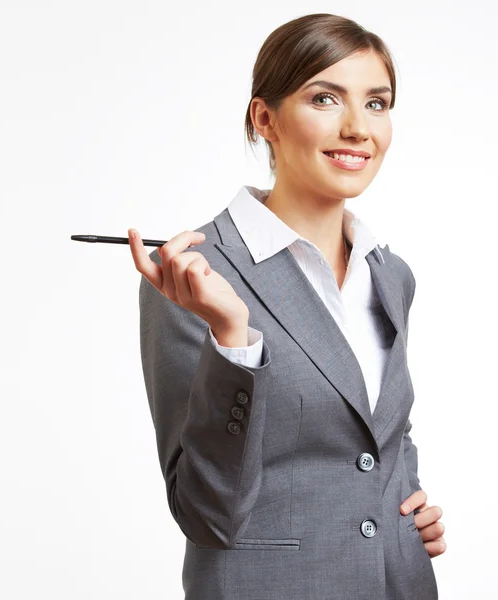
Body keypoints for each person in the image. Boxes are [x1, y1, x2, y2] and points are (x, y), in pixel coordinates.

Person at [129, 12, 446, 600]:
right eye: (326, 98)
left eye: (377, 103)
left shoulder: (390, 273)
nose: (358, 127)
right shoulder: (193, 276)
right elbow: (205, 513)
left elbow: (378, 433)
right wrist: (233, 336)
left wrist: (406, 501)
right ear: (265, 118)